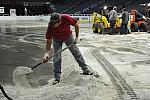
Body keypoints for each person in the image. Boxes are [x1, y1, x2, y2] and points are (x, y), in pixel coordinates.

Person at [42, 12, 93, 85]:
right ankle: (57, 78)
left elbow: (76, 25)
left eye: (55, 23)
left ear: (60, 21)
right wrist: (46, 53)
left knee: (76, 53)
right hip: (56, 39)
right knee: (57, 57)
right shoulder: (50, 26)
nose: (54, 25)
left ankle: (85, 69)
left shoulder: (65, 18)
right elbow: (49, 41)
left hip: (68, 37)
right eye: (52, 23)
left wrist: (77, 37)